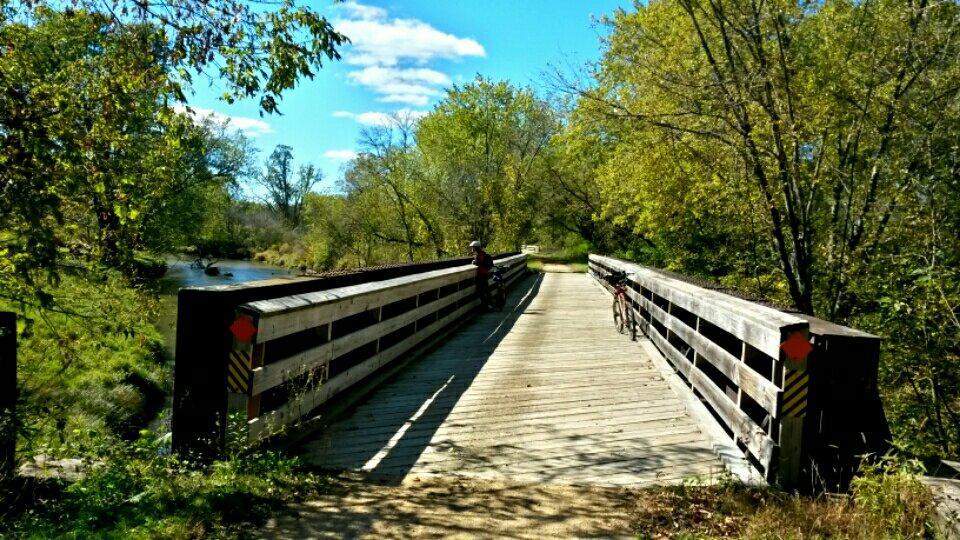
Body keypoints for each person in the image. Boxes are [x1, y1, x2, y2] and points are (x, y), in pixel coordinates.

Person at [470, 240, 494, 309]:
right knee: (486, 290)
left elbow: (478, 263)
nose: (472, 249)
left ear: (475, 247)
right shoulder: (483, 253)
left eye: (473, 247)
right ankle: (490, 304)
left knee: (480, 291)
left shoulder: (478, 254)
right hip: (485, 273)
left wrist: (474, 262)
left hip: (481, 274)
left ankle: (486, 305)